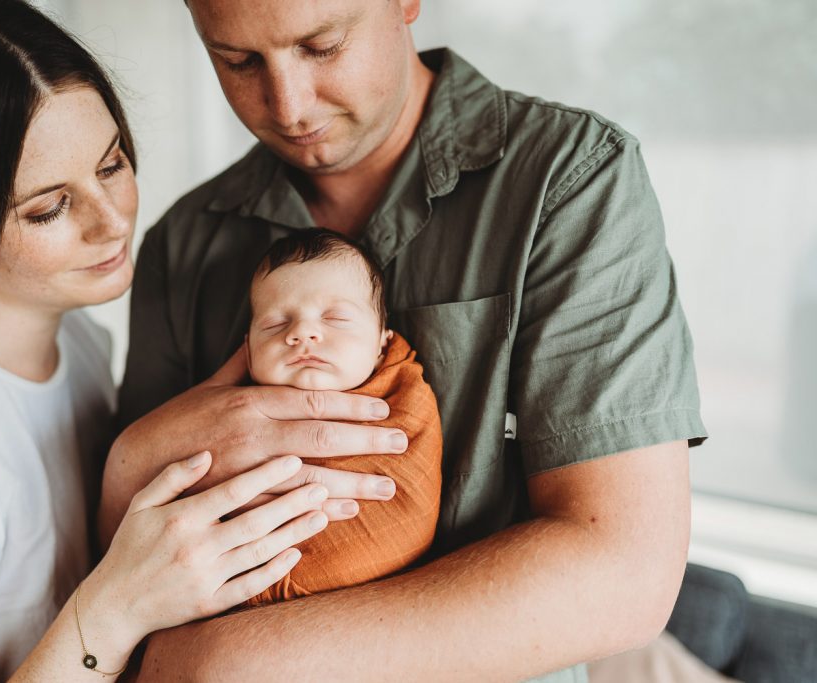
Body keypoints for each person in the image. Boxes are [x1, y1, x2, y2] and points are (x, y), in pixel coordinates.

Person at [102, 0, 708, 681]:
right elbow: (125, 547)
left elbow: (622, 570)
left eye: (322, 46)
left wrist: (227, 660)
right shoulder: (185, 243)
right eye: (238, 61)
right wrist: (130, 461)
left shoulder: (568, 180)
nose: (289, 106)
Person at [0, 1, 341, 680]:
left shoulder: (73, 334)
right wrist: (117, 607)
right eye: (49, 207)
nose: (112, 221)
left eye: (111, 166)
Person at [243, 229, 441, 606]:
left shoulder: (403, 399)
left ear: (382, 342)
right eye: (275, 324)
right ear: (248, 354)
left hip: (382, 605)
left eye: (335, 318)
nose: (303, 332)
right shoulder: (226, 417)